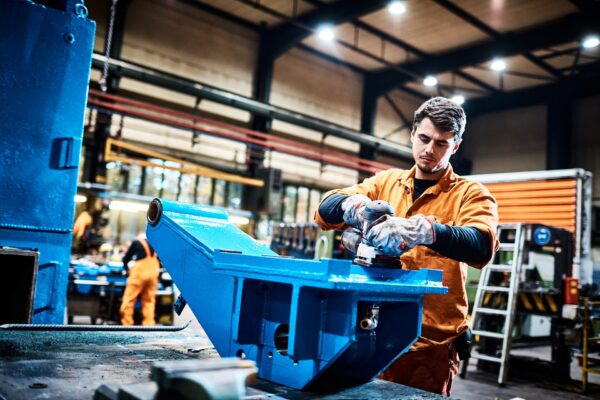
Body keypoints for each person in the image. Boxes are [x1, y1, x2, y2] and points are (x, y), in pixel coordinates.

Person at [314, 97, 499, 396]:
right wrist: (354, 208)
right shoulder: (385, 183)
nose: (429, 149)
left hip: (427, 345)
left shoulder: (471, 194)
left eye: (441, 143)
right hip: (365, 329)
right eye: (424, 138)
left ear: (456, 146)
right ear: (413, 134)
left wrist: (424, 231)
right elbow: (324, 209)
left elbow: (480, 245)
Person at [119, 233, 160, 325]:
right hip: (153, 275)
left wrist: (126, 269)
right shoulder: (156, 244)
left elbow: (126, 259)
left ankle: (127, 324)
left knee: (129, 299)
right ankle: (149, 325)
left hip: (139, 275)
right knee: (149, 301)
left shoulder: (137, 242)